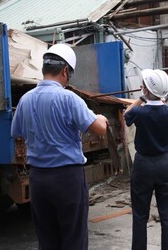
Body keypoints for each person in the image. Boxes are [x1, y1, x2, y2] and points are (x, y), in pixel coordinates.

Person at [11, 44, 108, 250]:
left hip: (38, 179)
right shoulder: (69, 98)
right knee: (73, 239)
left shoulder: (25, 100)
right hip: (67, 180)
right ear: (65, 71)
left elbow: (16, 132)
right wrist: (100, 117)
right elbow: (99, 129)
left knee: (47, 240)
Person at [124, 69, 168, 250]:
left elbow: (126, 115)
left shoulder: (140, 113)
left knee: (140, 215)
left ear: (146, 90)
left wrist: (141, 98)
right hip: (166, 163)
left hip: (144, 165)